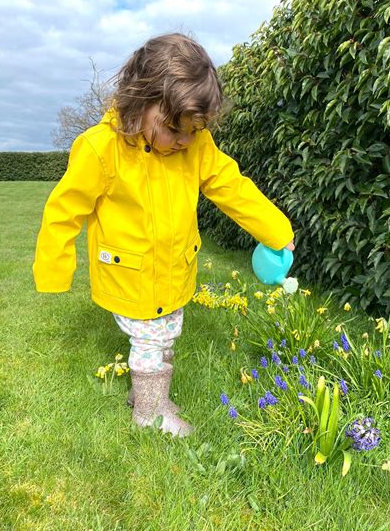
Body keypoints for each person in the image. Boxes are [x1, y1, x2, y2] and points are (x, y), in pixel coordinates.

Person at [33, 33, 294, 437]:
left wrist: (276, 231)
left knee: (167, 331)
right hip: (131, 274)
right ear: (139, 103)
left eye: (195, 130)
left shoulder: (196, 146)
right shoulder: (102, 148)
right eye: (175, 129)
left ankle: (147, 395)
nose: (186, 141)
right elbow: (64, 209)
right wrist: (54, 270)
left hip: (174, 268)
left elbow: (232, 186)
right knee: (152, 342)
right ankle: (150, 413)